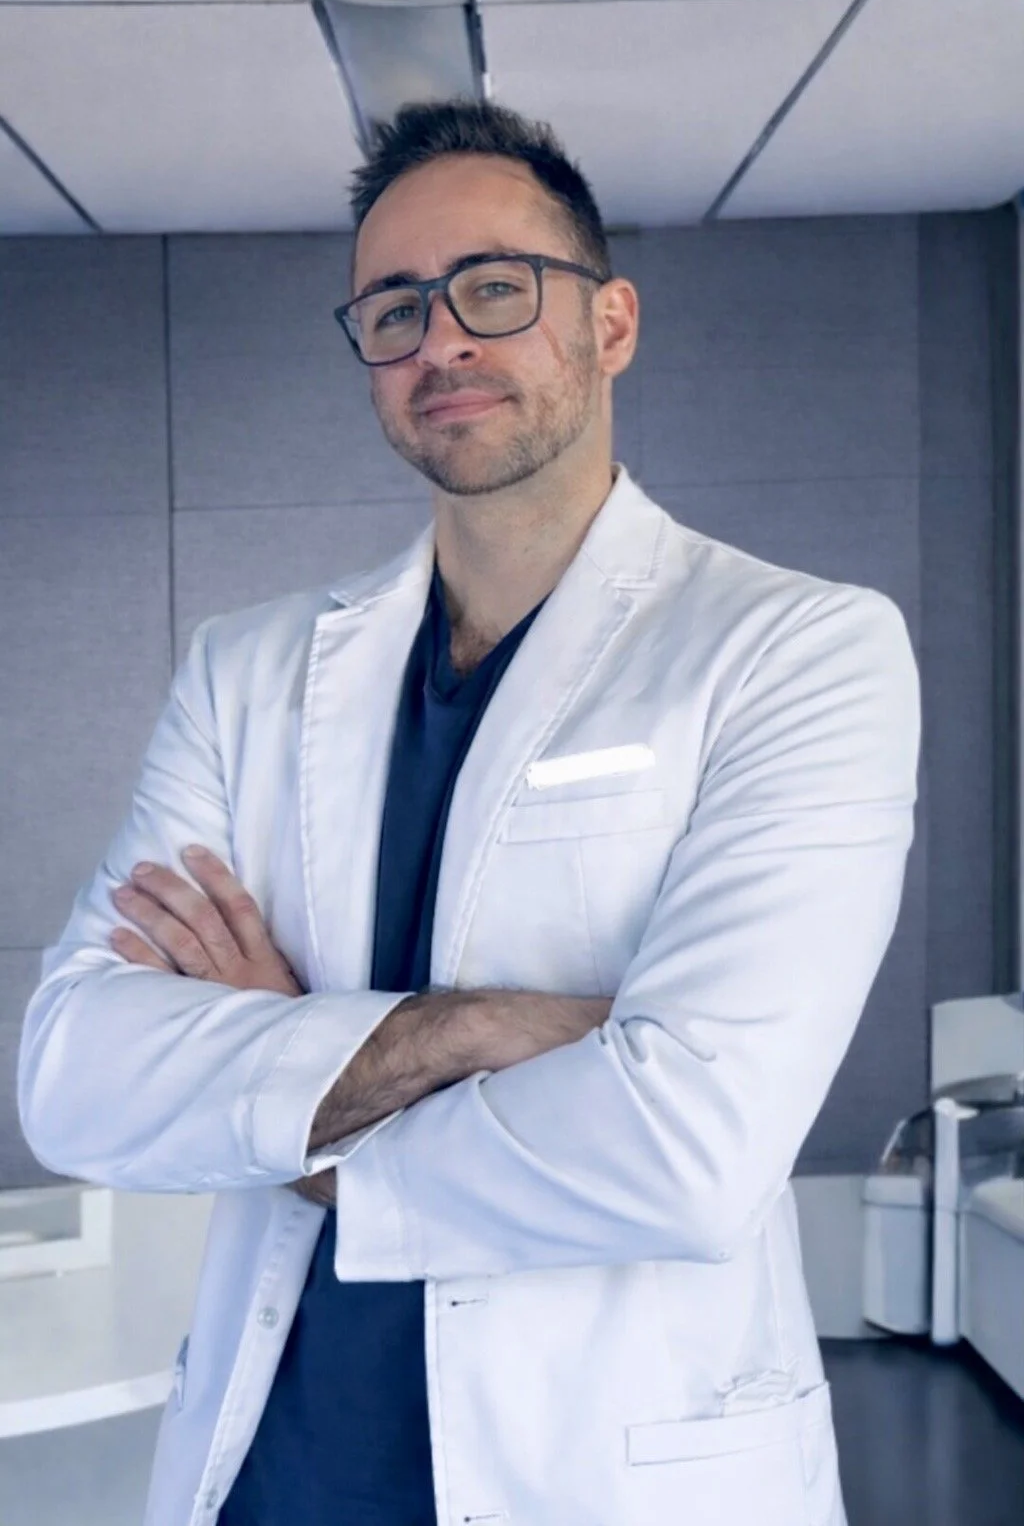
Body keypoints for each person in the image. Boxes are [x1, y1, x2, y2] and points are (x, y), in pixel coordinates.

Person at [18, 98, 920, 1526]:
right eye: (394, 307)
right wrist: (472, 1030)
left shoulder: (797, 648)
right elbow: (73, 1075)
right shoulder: (245, 673)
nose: (442, 339)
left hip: (610, 1480)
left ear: (609, 324)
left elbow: (690, 1151)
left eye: (495, 289)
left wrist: (280, 1088)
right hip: (274, 1478)